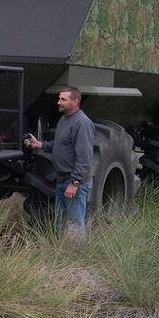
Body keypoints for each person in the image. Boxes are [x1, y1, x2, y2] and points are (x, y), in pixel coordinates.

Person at [23, 86, 95, 242]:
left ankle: (76, 259)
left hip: (74, 181)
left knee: (74, 222)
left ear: (75, 101)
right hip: (62, 179)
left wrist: (75, 182)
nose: (58, 102)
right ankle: (61, 255)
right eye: (59, 98)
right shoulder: (64, 120)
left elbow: (85, 157)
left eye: (63, 99)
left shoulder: (82, 123)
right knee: (60, 221)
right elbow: (61, 144)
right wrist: (40, 144)